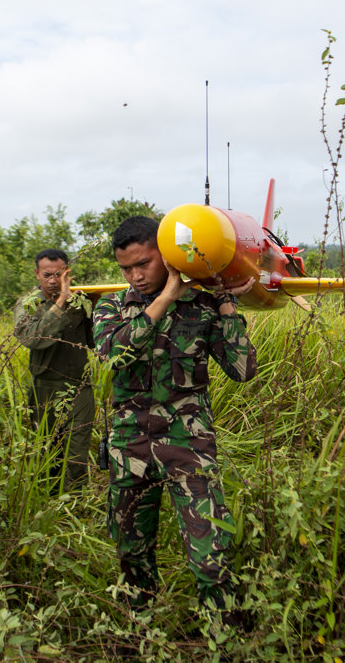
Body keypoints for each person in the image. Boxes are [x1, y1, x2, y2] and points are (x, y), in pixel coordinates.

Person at [92, 215, 257, 626]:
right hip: (129, 446)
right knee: (132, 555)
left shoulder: (203, 306)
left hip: (189, 444)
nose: (135, 275)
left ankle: (228, 639)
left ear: (165, 254)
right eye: (125, 268)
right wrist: (164, 297)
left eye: (143, 263)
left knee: (211, 556)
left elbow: (242, 370)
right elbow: (113, 355)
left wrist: (225, 305)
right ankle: (140, 636)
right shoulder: (113, 306)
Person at [13, 248, 95, 491]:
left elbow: (95, 340)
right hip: (44, 389)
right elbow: (32, 338)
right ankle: (49, 506)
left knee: (77, 456)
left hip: (79, 387)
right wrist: (60, 303)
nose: (52, 281)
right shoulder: (28, 304)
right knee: (48, 453)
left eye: (58, 274)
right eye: (47, 275)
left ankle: (76, 507)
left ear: (67, 273)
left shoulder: (81, 301)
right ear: (37, 274)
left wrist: (97, 308)